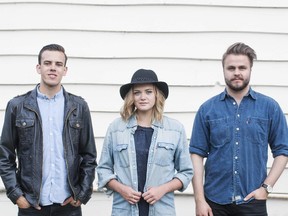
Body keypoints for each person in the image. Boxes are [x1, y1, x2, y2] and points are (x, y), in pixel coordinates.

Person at [189, 42, 288, 216]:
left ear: (250, 69)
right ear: (223, 70)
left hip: (253, 200)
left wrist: (266, 188)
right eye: (231, 68)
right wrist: (199, 200)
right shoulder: (207, 109)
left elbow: (283, 151)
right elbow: (197, 154)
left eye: (242, 67)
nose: (236, 72)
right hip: (214, 202)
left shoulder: (269, 107)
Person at [0, 44, 97, 216]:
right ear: (39, 67)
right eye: (47, 63)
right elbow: (5, 155)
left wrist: (82, 194)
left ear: (65, 70)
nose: (53, 68)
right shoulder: (17, 106)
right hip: (31, 205)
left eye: (58, 64)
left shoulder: (79, 107)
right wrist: (17, 195)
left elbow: (89, 156)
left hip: (69, 205)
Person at [96, 69, 193, 216]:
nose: (143, 97)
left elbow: (186, 172)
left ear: (157, 95)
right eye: (137, 93)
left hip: (161, 210)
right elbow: (103, 169)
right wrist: (122, 189)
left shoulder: (175, 129)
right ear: (131, 97)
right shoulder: (116, 128)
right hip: (125, 210)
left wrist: (162, 189)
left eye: (148, 92)